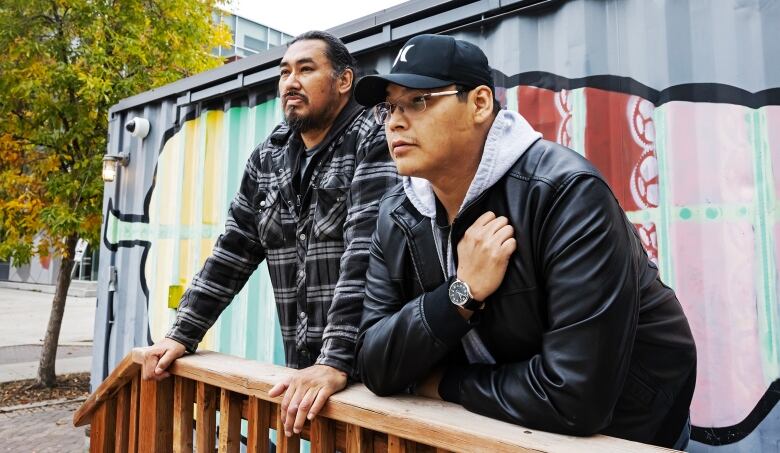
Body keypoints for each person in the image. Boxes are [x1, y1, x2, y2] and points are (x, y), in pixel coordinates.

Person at [353, 34, 696, 449]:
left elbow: (576, 396)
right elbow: (374, 361)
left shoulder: (565, 193)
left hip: (626, 434)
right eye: (389, 107)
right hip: (493, 429)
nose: (394, 122)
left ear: (479, 103)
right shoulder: (397, 213)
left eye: (418, 102)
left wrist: (444, 383)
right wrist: (461, 293)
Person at [140, 30, 398, 437]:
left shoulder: (376, 136)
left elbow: (366, 252)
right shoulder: (269, 157)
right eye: (284, 72)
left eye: (306, 69)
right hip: (309, 378)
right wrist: (182, 333)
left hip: (378, 379)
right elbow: (233, 250)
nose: (290, 82)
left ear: (344, 81)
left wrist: (334, 360)